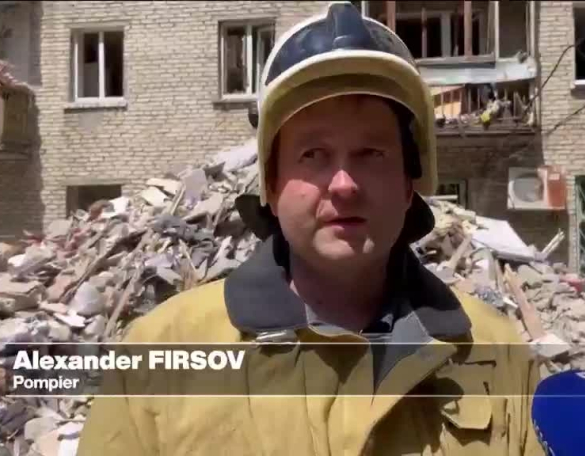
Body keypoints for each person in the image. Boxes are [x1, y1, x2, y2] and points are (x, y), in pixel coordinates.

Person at [77, 3, 544, 455]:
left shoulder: (495, 353)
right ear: (272, 186)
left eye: (372, 154)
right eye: (313, 155)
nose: (344, 185)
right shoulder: (160, 356)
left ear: (409, 185)